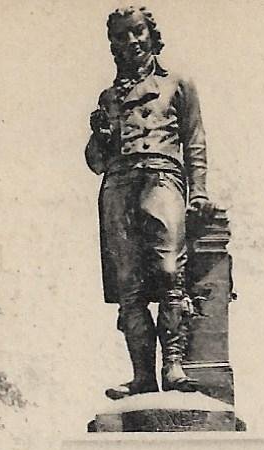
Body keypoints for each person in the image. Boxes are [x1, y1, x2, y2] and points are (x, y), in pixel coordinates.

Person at [86, 6, 214, 399]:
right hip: (119, 186)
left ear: (151, 34)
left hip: (162, 178)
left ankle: (172, 365)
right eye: (122, 36)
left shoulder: (177, 83)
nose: (131, 42)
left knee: (168, 269)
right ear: (113, 45)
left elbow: (194, 142)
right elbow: (96, 163)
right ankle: (142, 376)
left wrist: (200, 191)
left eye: (137, 32)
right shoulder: (108, 97)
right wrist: (100, 135)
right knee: (130, 285)